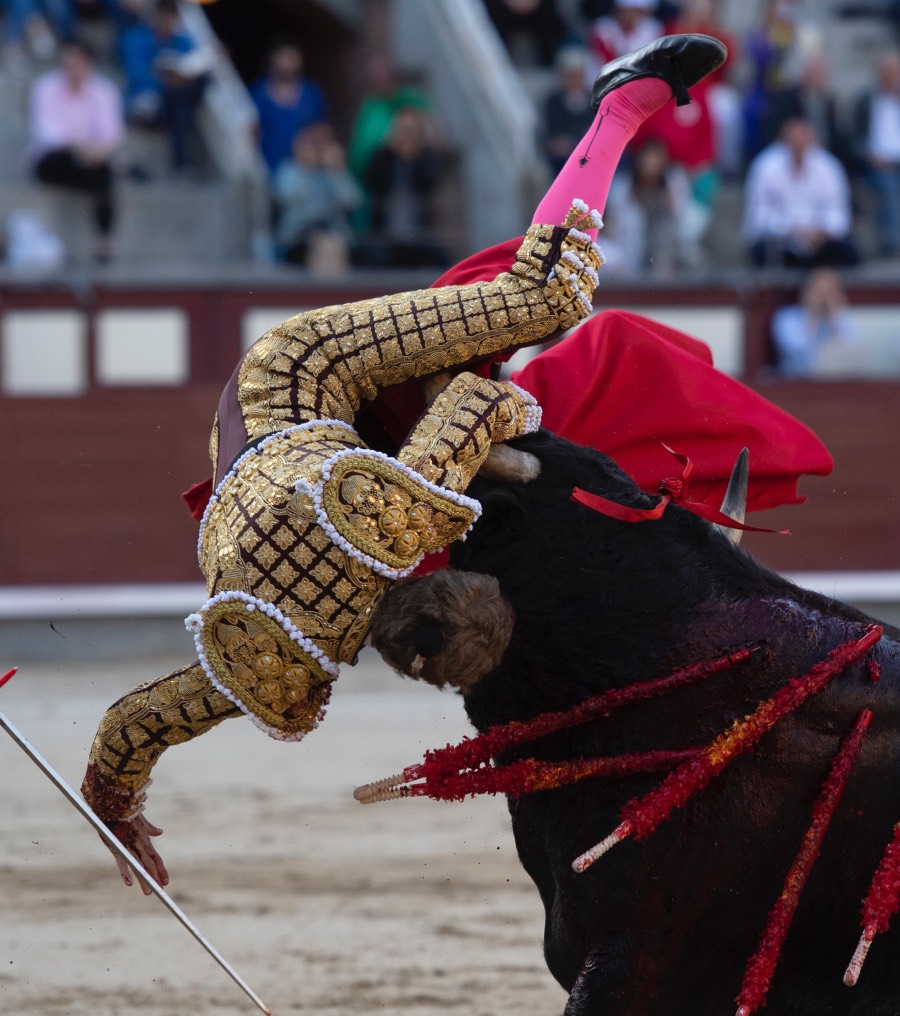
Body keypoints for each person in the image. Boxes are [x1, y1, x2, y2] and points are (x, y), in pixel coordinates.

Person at [78, 36, 828, 891]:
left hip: (302, 379)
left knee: (545, 296)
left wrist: (520, 432)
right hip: (286, 464)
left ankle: (622, 104)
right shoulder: (286, 651)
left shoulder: (393, 527)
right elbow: (131, 729)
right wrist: (111, 803)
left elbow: (473, 401)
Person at [28, 36, 124, 262]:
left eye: (77, 62)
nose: (72, 68)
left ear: (89, 63)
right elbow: (46, 133)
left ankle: (104, 241)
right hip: (55, 158)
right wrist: (80, 147)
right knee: (93, 169)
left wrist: (94, 152)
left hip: (93, 160)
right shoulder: (45, 88)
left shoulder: (104, 91)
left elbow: (111, 133)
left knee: (102, 171)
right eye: (68, 62)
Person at [743, 117, 858, 269]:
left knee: (847, 252)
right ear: (783, 140)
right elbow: (759, 215)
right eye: (793, 139)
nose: (799, 145)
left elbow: (838, 211)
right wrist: (793, 231)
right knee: (764, 251)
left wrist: (820, 232)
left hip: (820, 240)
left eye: (803, 139)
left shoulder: (829, 167)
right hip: (781, 240)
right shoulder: (765, 166)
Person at [119, 0, 212, 175]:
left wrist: (183, 77)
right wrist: (165, 80)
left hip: (176, 99)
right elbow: (135, 73)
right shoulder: (136, 38)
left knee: (195, 85)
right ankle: (182, 163)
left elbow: (192, 65)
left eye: (170, 18)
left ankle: (182, 163)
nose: (166, 22)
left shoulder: (182, 41)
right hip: (149, 100)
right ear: (155, 16)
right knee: (178, 103)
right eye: (163, 17)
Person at [358, 105, 449, 269]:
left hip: (418, 234)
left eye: (412, 130)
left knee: (440, 259)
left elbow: (430, 182)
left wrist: (415, 156)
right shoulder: (383, 155)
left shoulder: (426, 157)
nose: (407, 135)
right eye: (403, 129)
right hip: (385, 234)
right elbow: (370, 179)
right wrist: (389, 149)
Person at [603, 137, 706, 274]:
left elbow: (682, 220)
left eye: (655, 161)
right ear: (639, 161)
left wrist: (670, 203)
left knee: (667, 229)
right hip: (628, 249)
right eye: (647, 160)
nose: (651, 165)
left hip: (662, 249)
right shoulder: (623, 186)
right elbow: (612, 225)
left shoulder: (672, 183)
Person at [272, 122, 363, 269]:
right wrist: (305, 168)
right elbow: (286, 197)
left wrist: (336, 172)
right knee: (326, 246)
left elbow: (353, 201)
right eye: (314, 143)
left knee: (330, 244)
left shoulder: (334, 172)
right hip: (298, 236)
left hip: (333, 235)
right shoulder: (290, 170)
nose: (318, 148)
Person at [250, 40, 328, 176]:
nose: (289, 62)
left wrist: (308, 140)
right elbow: (250, 129)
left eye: (293, 56)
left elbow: (322, 127)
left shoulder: (310, 92)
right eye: (284, 56)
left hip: (305, 167)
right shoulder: (259, 92)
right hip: (271, 167)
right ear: (272, 59)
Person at [853, 49, 900, 258]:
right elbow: (853, 139)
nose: (890, 77)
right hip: (875, 165)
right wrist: (869, 155)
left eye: (894, 72)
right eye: (886, 72)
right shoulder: (865, 102)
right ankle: (892, 246)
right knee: (888, 185)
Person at [770, 268, 859, 378]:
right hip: (795, 382)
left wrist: (834, 321)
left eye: (830, 293)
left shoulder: (842, 318)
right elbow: (797, 354)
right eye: (819, 292)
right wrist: (813, 316)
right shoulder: (786, 318)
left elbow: (851, 353)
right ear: (805, 293)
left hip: (835, 381)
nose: (824, 299)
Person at [542, 47, 596, 176]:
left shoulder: (594, 101)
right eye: (571, 76)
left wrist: (575, 142)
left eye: (578, 76)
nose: (574, 81)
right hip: (560, 158)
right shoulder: (553, 101)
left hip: (588, 154)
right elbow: (551, 133)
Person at [587, 0, 663, 71]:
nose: (633, 15)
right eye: (633, 10)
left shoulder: (652, 27)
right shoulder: (602, 28)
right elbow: (612, 65)